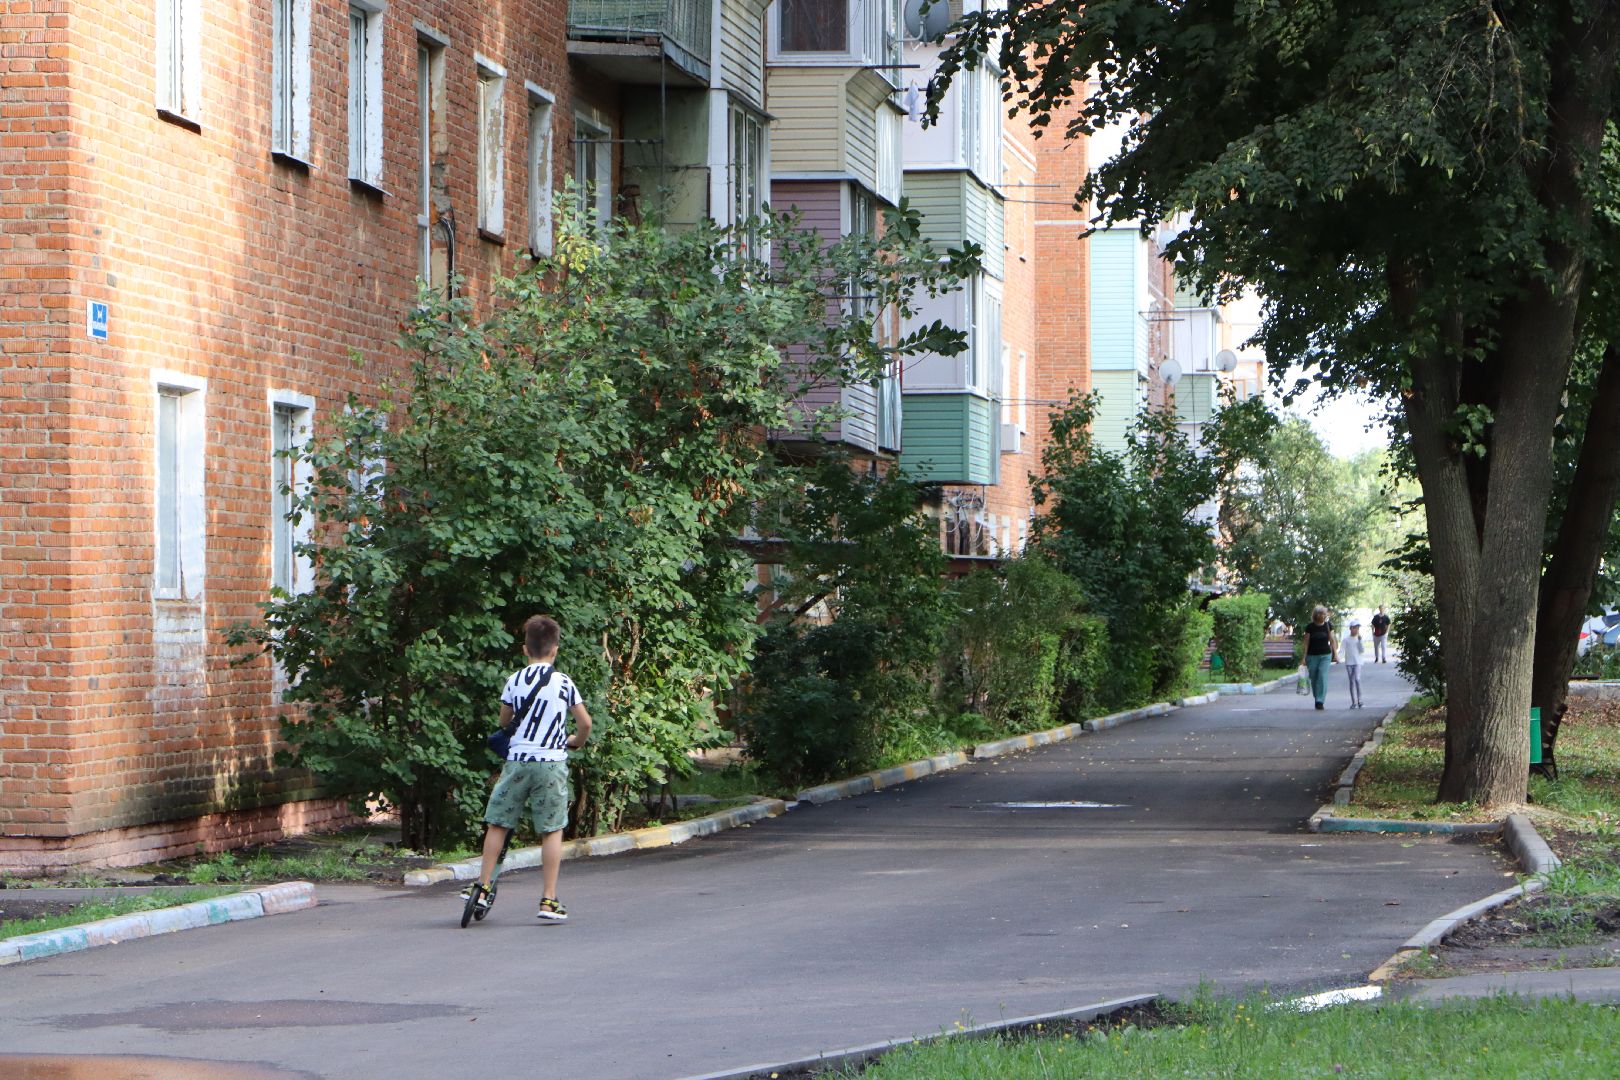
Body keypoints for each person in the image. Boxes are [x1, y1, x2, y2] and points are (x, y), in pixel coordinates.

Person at [464, 615, 592, 922]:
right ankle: (548, 901)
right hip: (550, 763)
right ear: (555, 650)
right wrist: (576, 740)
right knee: (551, 830)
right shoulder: (563, 683)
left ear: (525, 649)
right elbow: (585, 722)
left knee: (498, 824)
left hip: (518, 762)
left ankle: (482, 887)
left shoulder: (515, 680)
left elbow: (504, 722)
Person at [1303, 606, 1338, 710]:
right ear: (1317, 615)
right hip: (1312, 655)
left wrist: (1335, 654)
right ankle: (1317, 696)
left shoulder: (1328, 626)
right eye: (1322, 614)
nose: (1324, 615)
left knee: (1322, 676)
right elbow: (1306, 642)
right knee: (1314, 677)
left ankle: (1320, 700)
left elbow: (1332, 640)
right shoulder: (1310, 627)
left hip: (1325, 655)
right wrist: (1304, 658)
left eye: (1325, 614)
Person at [1342, 618, 1366, 708]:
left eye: (1357, 628)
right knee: (1351, 682)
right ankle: (1353, 702)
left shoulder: (1359, 639)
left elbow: (1362, 650)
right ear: (1350, 628)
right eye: (1354, 628)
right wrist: (1337, 658)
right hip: (1349, 662)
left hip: (1358, 662)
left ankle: (1360, 700)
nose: (1356, 630)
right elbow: (1342, 650)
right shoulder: (1346, 639)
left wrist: (1360, 641)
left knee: (1357, 679)